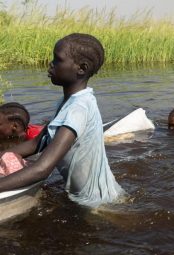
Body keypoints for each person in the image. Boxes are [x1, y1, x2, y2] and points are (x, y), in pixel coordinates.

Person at [0, 33, 124, 207]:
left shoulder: (77, 110)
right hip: (91, 197)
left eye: (57, 60)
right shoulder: (71, 102)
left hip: (98, 204)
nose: (50, 64)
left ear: (81, 68)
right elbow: (37, 142)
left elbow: (42, 169)